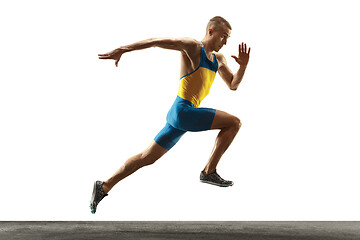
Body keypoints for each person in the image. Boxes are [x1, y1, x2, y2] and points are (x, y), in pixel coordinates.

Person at [90, 16, 250, 214]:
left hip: (180, 116)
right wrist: (123, 49)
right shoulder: (192, 47)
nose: (225, 42)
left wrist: (242, 67)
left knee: (146, 157)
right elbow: (155, 42)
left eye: (228, 38)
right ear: (210, 31)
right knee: (234, 123)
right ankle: (209, 172)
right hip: (184, 111)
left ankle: (104, 186)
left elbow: (233, 85)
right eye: (223, 36)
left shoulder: (219, 60)